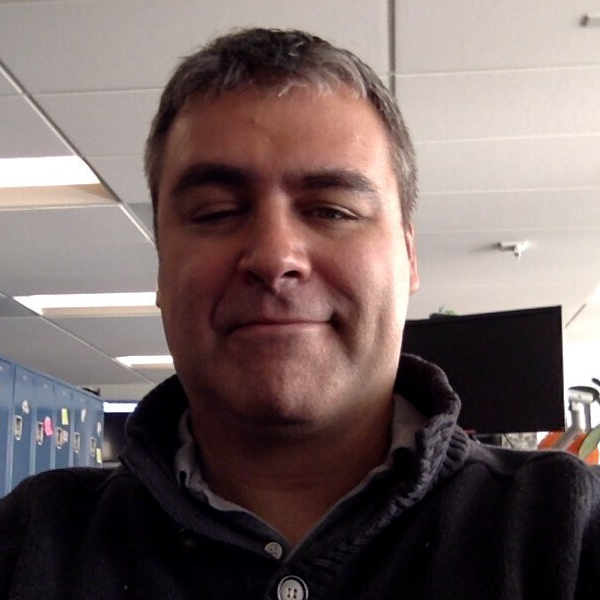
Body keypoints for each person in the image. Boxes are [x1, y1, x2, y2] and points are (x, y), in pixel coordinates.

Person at [1, 27, 599, 600]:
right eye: (215, 212)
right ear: (161, 267)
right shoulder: (28, 541)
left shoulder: (567, 533)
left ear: (409, 256)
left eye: (332, 210)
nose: (274, 257)